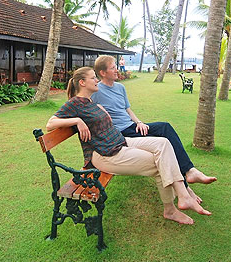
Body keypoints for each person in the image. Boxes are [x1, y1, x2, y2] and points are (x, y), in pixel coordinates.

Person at [46, 67, 211, 225]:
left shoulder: (91, 102)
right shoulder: (75, 103)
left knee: (164, 143)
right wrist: (77, 121)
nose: (97, 80)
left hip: (120, 142)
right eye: (93, 78)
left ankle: (183, 195)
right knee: (159, 162)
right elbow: (50, 123)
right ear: (82, 82)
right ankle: (171, 209)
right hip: (105, 154)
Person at [91, 55, 216, 203]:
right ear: (103, 72)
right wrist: (94, 109)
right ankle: (186, 188)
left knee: (165, 127)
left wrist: (139, 122)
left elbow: (128, 110)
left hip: (132, 127)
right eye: (113, 67)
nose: (117, 70)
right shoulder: (96, 91)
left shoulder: (120, 87)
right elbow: (80, 103)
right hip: (121, 134)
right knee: (165, 147)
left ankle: (190, 171)